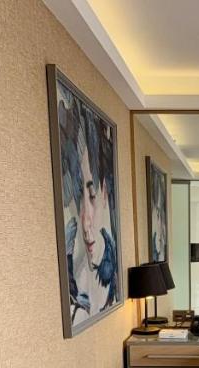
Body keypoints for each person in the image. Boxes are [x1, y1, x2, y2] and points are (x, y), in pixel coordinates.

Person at [59, 88, 118, 325]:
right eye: (77, 197)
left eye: (91, 196)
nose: (85, 221)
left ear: (104, 193)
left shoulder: (110, 275)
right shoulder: (76, 274)